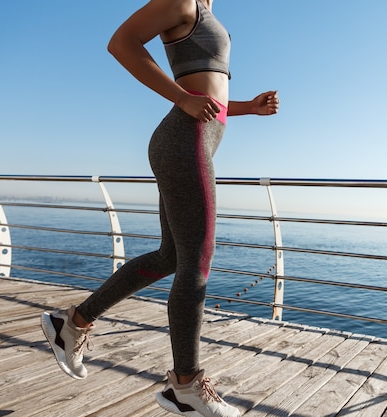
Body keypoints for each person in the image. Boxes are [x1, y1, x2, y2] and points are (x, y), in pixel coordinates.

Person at [40, 0, 279, 416]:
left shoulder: (207, 8)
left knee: (173, 257)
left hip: (194, 141)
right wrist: (182, 97)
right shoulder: (182, 1)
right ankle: (185, 384)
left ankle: (72, 322)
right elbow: (121, 43)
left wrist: (247, 108)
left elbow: (210, 94)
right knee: (196, 264)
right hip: (183, 140)